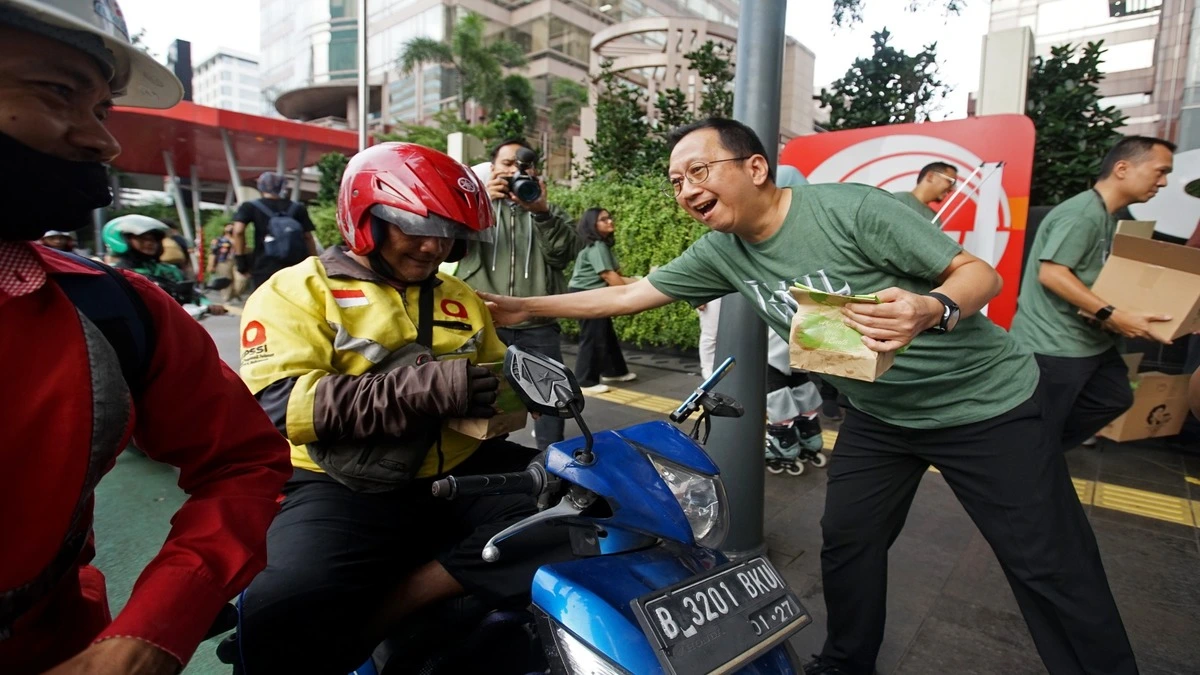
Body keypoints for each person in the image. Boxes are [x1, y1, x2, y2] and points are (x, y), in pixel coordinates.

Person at [481, 117, 1137, 675]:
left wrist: (928, 310)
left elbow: (978, 273)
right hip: (881, 414)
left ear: (756, 167)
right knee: (849, 540)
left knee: (1047, 563)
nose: (686, 189)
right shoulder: (724, 251)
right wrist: (519, 306)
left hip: (983, 405)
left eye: (699, 170)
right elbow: (628, 294)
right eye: (676, 180)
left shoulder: (853, 210)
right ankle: (847, 662)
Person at [0, 2, 292, 672]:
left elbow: (246, 462)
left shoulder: (119, 306)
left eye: (102, 108)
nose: (102, 142)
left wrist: (151, 631)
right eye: (57, 91)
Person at [235, 142, 571, 674]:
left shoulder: (460, 297)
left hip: (459, 470)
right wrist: (427, 390)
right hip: (339, 481)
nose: (433, 247)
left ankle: (390, 612)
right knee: (285, 598)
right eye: (415, 228)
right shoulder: (297, 289)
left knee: (573, 514)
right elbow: (280, 407)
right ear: (365, 218)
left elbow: (497, 374)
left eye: (448, 235)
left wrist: (522, 388)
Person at [1010, 136, 1175, 451]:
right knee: (1040, 428)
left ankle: (1040, 457)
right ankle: (1033, 462)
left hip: (1092, 342)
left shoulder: (1105, 217)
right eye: (1160, 171)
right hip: (1056, 345)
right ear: (1122, 168)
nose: (1164, 182)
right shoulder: (1081, 214)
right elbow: (1053, 273)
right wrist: (1111, 314)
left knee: (1114, 396)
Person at [455, 138, 578, 450]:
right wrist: (478, 202)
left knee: (553, 399)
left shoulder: (550, 212)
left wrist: (542, 213)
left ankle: (552, 463)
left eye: (523, 166)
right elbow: (452, 250)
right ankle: (486, 461)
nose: (514, 171)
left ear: (534, 172)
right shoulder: (473, 208)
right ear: (493, 168)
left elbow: (562, 256)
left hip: (537, 325)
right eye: (507, 164)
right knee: (481, 401)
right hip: (484, 324)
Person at [568, 207, 637, 393]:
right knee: (592, 336)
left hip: (592, 293)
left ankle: (614, 371)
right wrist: (632, 295)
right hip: (586, 294)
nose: (610, 221)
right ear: (592, 225)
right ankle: (584, 381)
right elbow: (608, 276)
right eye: (603, 219)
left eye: (610, 217)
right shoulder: (597, 247)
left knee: (605, 333)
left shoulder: (602, 246)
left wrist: (643, 283)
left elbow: (618, 276)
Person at [103, 215, 227, 314]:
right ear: (123, 240)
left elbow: (192, 293)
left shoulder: (170, 270)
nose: (150, 243)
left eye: (153, 239)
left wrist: (207, 303)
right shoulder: (113, 273)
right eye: (143, 239)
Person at [231, 171, 319, 289]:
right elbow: (308, 237)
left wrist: (241, 262)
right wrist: (314, 263)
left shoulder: (250, 206)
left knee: (264, 303)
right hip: (296, 266)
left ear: (260, 187)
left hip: (264, 265)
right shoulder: (297, 207)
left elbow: (238, 231)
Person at [893, 161, 957, 225]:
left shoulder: (935, 219)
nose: (952, 189)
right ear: (930, 176)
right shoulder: (896, 200)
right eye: (950, 181)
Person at [208, 222, 243, 301]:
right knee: (226, 280)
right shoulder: (218, 240)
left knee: (240, 280)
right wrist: (211, 264)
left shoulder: (238, 238)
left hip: (237, 260)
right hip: (223, 261)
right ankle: (226, 298)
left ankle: (236, 294)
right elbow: (213, 252)